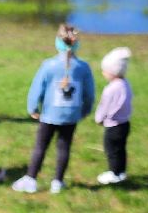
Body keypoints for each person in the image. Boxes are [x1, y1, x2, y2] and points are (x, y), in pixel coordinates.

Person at [13, 25, 95, 195]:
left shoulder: (48, 65)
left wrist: (32, 107)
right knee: (64, 147)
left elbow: (37, 88)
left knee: (40, 146)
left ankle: (31, 179)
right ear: (76, 44)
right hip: (71, 116)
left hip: (49, 115)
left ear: (58, 42)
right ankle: (58, 182)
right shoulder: (83, 67)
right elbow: (89, 93)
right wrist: (85, 110)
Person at [94, 46, 133, 185]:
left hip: (113, 126)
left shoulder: (111, 89)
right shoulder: (125, 84)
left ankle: (114, 173)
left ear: (112, 72)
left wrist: (99, 118)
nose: (103, 72)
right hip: (125, 124)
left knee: (111, 150)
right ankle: (121, 172)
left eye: (105, 70)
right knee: (121, 149)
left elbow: (105, 106)